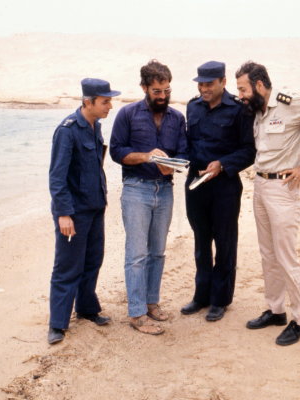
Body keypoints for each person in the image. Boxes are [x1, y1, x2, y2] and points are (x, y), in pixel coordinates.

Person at [236, 61, 300, 345]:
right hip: (261, 186)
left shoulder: (290, 102)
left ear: (258, 85)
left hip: (284, 188)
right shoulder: (258, 110)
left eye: (243, 89)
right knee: (268, 254)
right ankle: (276, 310)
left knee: (285, 256)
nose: (241, 95)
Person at [110, 60, 187, 335]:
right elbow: (116, 152)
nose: (163, 96)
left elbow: (183, 153)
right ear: (144, 87)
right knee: (137, 254)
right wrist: (147, 157)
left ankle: (152, 304)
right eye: (157, 90)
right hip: (136, 189)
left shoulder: (178, 118)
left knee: (158, 252)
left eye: (166, 90)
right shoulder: (127, 114)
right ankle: (137, 313)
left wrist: (173, 165)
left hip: (165, 190)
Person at [181, 61, 256, 322]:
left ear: (223, 82)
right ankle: (201, 296)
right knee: (201, 241)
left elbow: (249, 150)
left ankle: (220, 300)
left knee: (224, 242)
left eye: (209, 84)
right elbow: (188, 144)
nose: (204, 88)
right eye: (200, 84)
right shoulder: (192, 107)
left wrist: (222, 164)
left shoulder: (239, 110)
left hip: (224, 185)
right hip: (195, 184)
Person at [48, 78, 121, 344]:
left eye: (110, 101)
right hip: (74, 213)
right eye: (105, 101)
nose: (110, 106)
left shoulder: (95, 126)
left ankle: (87, 309)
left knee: (92, 261)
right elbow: (57, 177)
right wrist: (63, 213)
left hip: (94, 208)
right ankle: (57, 323)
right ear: (88, 102)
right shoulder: (67, 131)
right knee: (67, 266)